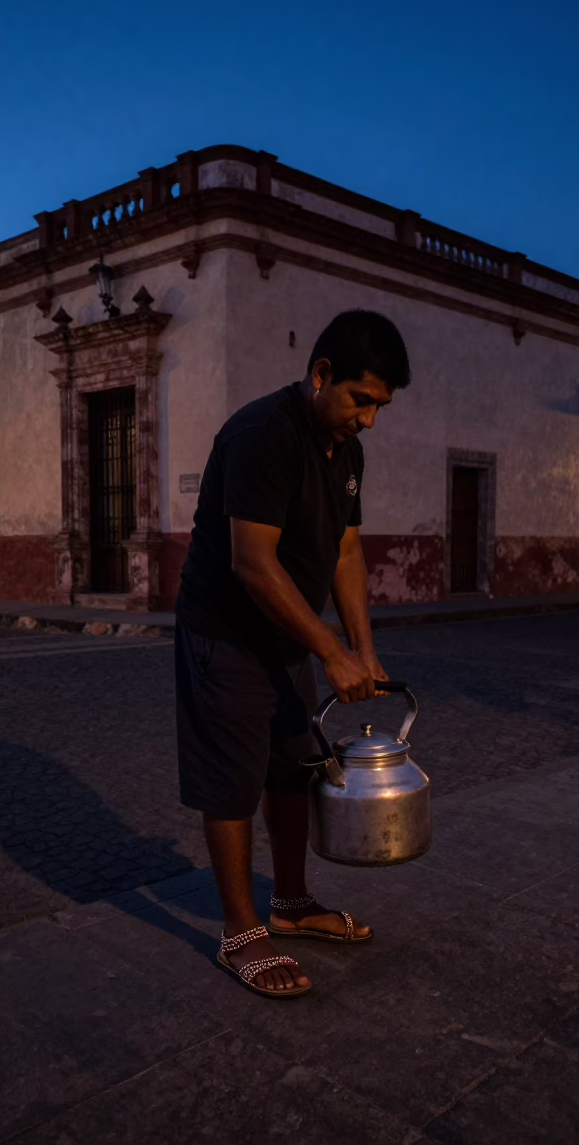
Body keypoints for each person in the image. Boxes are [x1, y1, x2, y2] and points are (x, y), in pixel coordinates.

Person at [174, 308, 411, 998]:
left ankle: (291, 903)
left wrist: (363, 649)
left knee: (292, 768)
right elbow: (252, 563)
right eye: (359, 400)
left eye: (380, 407)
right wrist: (331, 650)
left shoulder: (348, 451)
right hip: (226, 631)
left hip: (288, 635)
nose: (368, 419)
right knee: (232, 780)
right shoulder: (262, 434)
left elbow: (343, 547)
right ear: (320, 375)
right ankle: (240, 933)